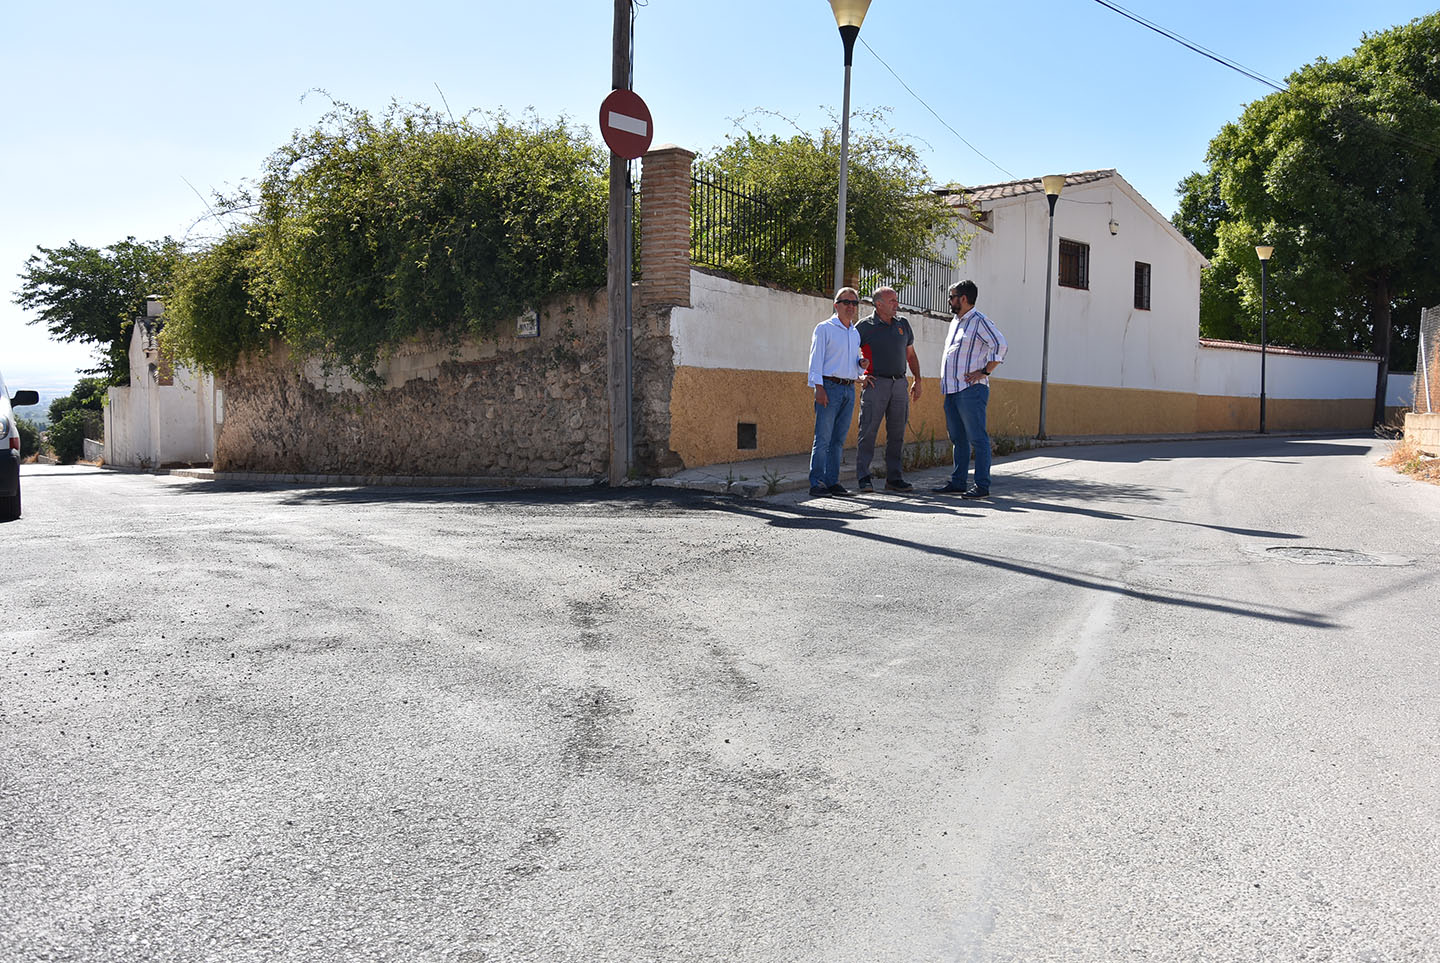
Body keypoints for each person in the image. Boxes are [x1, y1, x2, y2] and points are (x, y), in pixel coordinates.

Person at [934, 279, 1008, 498]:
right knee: (958, 439)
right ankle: (958, 482)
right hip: (952, 389)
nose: (949, 301)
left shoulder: (979, 321)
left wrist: (985, 371)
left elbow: (1000, 344)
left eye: (952, 297)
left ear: (963, 298)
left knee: (977, 438)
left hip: (971, 390)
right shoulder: (955, 322)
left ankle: (982, 486)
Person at [855, 286, 922, 492]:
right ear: (879, 304)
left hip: (899, 384)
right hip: (876, 384)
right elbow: (849, 352)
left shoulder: (903, 324)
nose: (896, 304)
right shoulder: (864, 327)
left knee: (897, 433)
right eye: (892, 300)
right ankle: (864, 477)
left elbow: (911, 355)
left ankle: (894, 478)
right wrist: (859, 377)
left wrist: (918, 379)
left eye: (896, 300)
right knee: (868, 431)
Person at [806, 287, 867, 497]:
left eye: (854, 303)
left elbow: (851, 362)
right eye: (846, 302)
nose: (851, 307)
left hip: (849, 388)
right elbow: (816, 359)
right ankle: (817, 482)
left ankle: (832, 481)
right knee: (823, 438)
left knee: (838, 439)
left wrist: (860, 364)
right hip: (829, 387)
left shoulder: (854, 332)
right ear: (836, 305)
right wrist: (818, 388)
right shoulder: (824, 328)